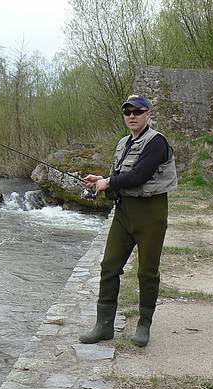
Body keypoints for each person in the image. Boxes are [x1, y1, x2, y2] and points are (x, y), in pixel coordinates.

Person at [79, 94, 177, 347]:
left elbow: (139, 175)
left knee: (147, 272)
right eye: (127, 112)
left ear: (148, 114)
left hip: (151, 214)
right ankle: (104, 326)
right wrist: (100, 181)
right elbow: (119, 176)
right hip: (124, 213)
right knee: (109, 266)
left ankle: (144, 325)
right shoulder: (123, 143)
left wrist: (108, 182)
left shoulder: (157, 142)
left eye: (137, 111)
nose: (132, 116)